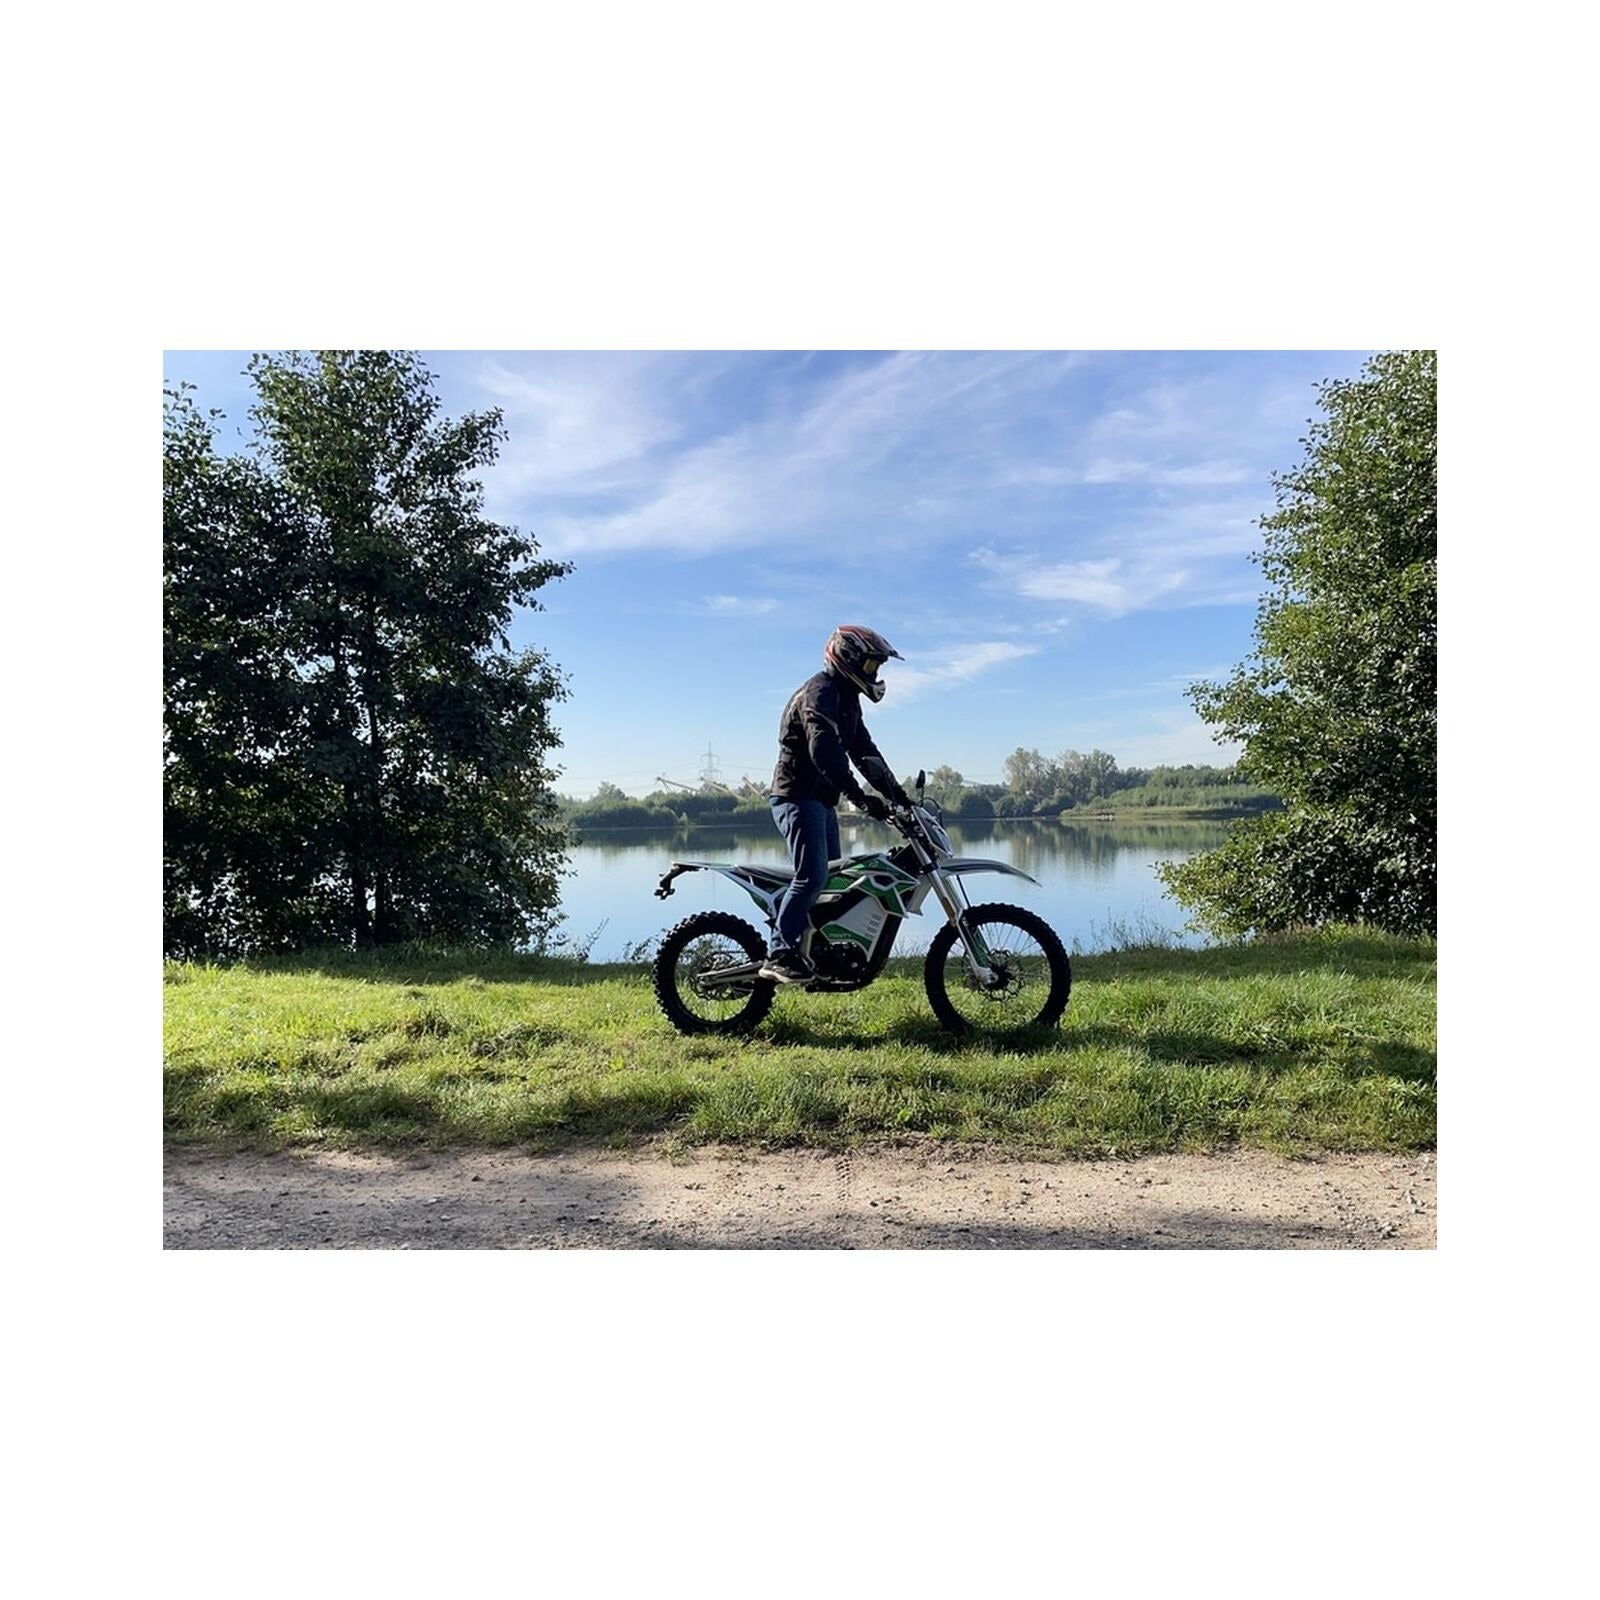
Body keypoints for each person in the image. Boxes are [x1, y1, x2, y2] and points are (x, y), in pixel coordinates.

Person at [760, 624, 913, 983]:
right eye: (872, 665)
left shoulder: (846, 698)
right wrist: (860, 798)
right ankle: (779, 951)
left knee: (833, 882)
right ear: (849, 658)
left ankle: (816, 953)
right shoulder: (820, 693)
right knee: (812, 877)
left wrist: (899, 797)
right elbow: (824, 752)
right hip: (796, 798)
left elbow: (864, 752)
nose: (875, 674)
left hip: (820, 802)